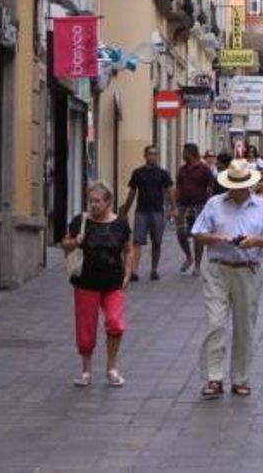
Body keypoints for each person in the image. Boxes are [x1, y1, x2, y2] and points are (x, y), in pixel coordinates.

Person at [191, 159, 263, 399]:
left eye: (241, 185)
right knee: (216, 323)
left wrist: (254, 241)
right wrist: (218, 238)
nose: (237, 189)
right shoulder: (214, 204)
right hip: (218, 268)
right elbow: (197, 233)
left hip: (247, 270)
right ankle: (214, 377)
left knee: (244, 326)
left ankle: (240, 378)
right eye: (234, 185)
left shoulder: (261, 206)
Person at [61, 181, 138, 388]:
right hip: (85, 282)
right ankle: (86, 370)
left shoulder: (120, 224)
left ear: (108, 202)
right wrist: (75, 242)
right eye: (91, 201)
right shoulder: (81, 221)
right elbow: (64, 244)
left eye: (97, 201)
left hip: (113, 282)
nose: (93, 205)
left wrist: (128, 272)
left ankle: (112, 368)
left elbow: (128, 249)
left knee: (115, 324)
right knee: (85, 328)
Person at [120, 145, 173, 281]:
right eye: (150, 154)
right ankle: (134, 271)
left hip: (157, 212)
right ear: (145, 156)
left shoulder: (163, 173)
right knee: (137, 241)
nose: (153, 157)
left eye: (155, 154)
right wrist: (125, 210)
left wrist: (173, 208)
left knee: (157, 242)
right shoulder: (138, 173)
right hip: (141, 212)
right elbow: (132, 192)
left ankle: (154, 270)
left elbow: (169, 191)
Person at [176, 143, 215, 276]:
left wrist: (209, 202)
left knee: (198, 236)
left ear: (191, 153)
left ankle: (197, 265)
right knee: (180, 233)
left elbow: (211, 185)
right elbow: (178, 187)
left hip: (200, 205)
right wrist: (174, 206)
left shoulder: (204, 169)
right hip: (184, 205)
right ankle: (188, 256)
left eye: (185, 152)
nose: (183, 154)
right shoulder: (182, 170)